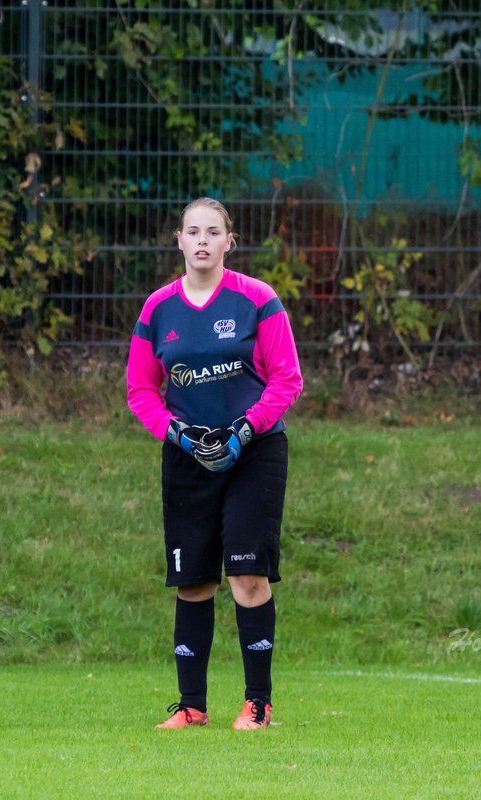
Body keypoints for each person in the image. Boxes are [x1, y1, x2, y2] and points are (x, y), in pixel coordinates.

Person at [126, 197, 303, 731]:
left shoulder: (258, 300)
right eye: (192, 232)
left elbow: (286, 379)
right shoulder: (158, 310)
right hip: (187, 459)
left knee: (247, 576)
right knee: (193, 581)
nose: (202, 241)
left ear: (230, 242)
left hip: (254, 454)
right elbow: (141, 390)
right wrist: (180, 435)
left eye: (213, 232)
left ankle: (258, 704)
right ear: (178, 241)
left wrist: (244, 430)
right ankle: (192, 707)